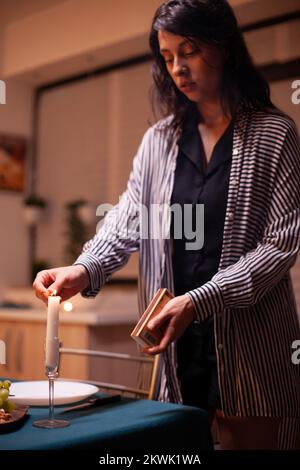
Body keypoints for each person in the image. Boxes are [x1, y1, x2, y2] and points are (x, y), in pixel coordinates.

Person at [33, 0, 300, 450]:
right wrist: (84, 269)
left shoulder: (275, 134)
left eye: (189, 51)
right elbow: (128, 219)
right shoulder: (159, 141)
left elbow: (281, 244)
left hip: (252, 350)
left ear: (225, 46)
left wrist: (200, 300)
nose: (178, 67)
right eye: (168, 56)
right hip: (175, 352)